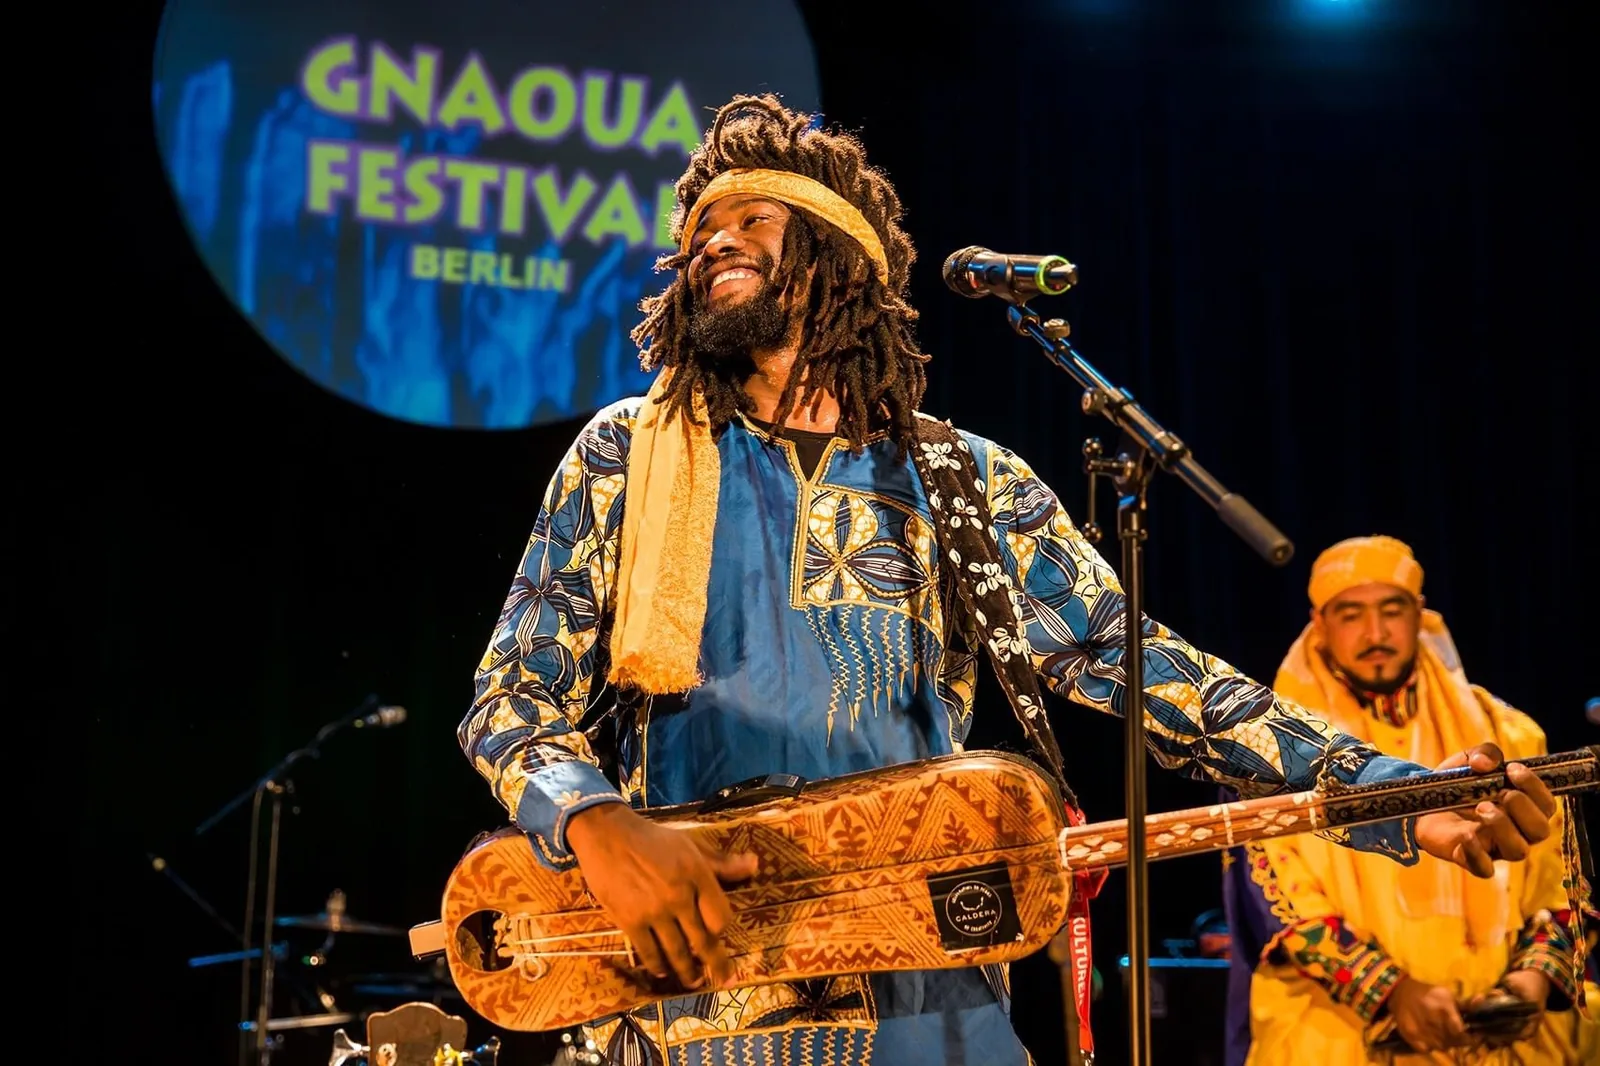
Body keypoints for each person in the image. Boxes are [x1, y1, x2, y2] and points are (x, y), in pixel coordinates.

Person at [459, 96, 1558, 1066]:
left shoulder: (960, 479)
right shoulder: (622, 454)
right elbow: (510, 698)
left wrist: (1391, 798)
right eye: (699, 229)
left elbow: (1161, 678)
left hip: (928, 1002)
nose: (712, 243)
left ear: (840, 258)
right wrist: (598, 826)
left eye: (751, 219)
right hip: (695, 995)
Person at [1221, 536, 1591, 1065]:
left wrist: (1532, 979)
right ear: (1320, 623)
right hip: (1341, 1036)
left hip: (1500, 1039)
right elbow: (1274, 896)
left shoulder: (1508, 735)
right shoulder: (1270, 748)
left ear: (1419, 614)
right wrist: (1392, 991)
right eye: (1351, 615)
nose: (1375, 634)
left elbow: (1563, 879)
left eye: (1391, 611)